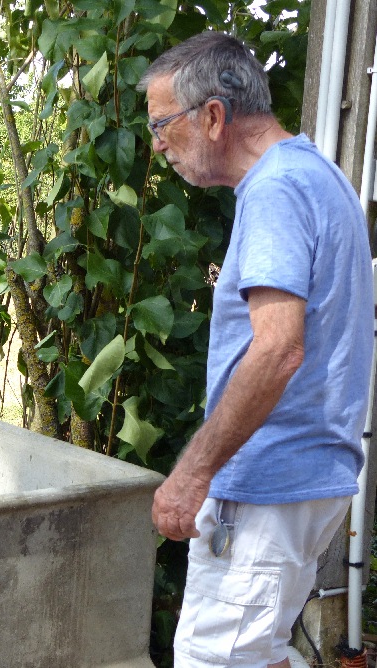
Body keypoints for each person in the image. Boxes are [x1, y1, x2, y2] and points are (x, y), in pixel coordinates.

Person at [138, 32, 373, 668]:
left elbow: (277, 351)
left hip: (268, 482)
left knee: (215, 658)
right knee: (262, 651)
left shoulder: (275, 190)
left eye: (162, 124)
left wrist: (192, 475)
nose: (158, 144)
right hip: (306, 476)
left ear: (213, 116)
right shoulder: (316, 175)